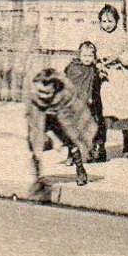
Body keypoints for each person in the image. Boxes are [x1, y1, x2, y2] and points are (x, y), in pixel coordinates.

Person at [24, 67, 96, 199]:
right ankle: (37, 179)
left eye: (47, 92)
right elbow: (34, 120)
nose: (43, 96)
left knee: (72, 140)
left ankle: (80, 170)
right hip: (41, 117)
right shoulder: (34, 95)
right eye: (41, 91)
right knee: (35, 146)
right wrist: (48, 137)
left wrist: (61, 139)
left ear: (55, 87)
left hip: (61, 116)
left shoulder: (65, 94)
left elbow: (72, 121)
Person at [93, 4, 128, 158]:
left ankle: (126, 138)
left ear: (116, 21)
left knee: (122, 111)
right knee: (102, 113)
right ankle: (100, 145)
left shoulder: (122, 37)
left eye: (110, 21)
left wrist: (118, 57)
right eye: (103, 21)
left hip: (119, 78)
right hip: (103, 80)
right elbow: (91, 55)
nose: (106, 25)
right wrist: (98, 65)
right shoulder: (97, 38)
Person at [64, 42, 106, 162]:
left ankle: (89, 152)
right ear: (79, 55)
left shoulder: (93, 69)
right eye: (85, 56)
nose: (87, 59)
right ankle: (71, 155)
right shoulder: (73, 68)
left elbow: (93, 85)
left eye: (90, 56)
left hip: (89, 105)